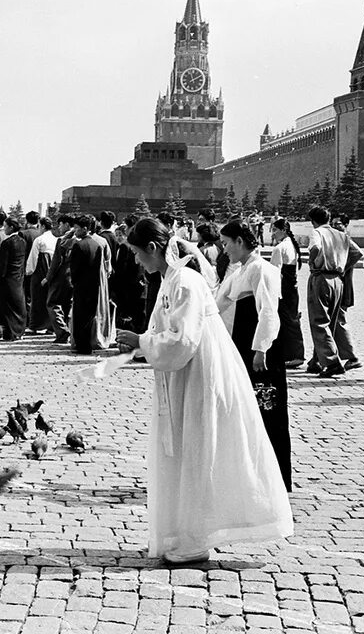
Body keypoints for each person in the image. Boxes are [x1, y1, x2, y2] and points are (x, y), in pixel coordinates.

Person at [114, 217, 293, 565]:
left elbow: (183, 340)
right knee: (185, 450)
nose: (137, 262)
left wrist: (142, 341)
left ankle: (194, 538)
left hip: (199, 375)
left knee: (198, 448)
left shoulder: (186, 281)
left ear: (152, 249)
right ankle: (182, 532)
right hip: (186, 376)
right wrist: (148, 341)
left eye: (137, 254)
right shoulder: (172, 279)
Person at [216, 220, 292, 490]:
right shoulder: (241, 270)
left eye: (226, 243)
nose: (225, 250)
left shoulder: (262, 268)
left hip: (261, 348)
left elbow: (268, 311)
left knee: (267, 408)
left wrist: (261, 349)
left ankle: (275, 477)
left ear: (239, 241)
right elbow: (219, 302)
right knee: (249, 408)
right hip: (244, 343)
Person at [305, 206, 357, 378]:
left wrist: (312, 263)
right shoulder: (341, 235)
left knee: (319, 321)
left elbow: (315, 248)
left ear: (313, 221)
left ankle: (332, 362)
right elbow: (357, 253)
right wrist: (342, 266)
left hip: (321, 277)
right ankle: (317, 361)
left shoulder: (317, 232)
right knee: (332, 321)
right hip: (338, 280)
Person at [69, 214, 114, 354]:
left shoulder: (78, 245)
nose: (75, 231)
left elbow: (74, 268)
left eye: (76, 228)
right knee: (89, 316)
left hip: (81, 286)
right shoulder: (98, 244)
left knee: (79, 316)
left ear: (84, 229)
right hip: (95, 286)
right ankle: (88, 344)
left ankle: (80, 345)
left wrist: (74, 282)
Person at [268, 218, 305, 368]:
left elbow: (274, 272)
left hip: (283, 288)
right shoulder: (292, 245)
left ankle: (293, 354)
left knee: (286, 322)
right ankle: (294, 353)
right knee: (292, 320)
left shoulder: (280, 248)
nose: (272, 233)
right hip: (292, 288)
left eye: (275, 230)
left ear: (283, 230)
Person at [0, 216, 28, 340]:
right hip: (18, 278)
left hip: (6, 279)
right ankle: (19, 332)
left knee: (7, 308)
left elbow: (2, 264)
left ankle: (9, 333)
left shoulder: (7, 243)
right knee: (18, 306)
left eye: (6, 226)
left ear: (11, 227)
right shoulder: (22, 242)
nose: (4, 229)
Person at [44, 215, 75, 344]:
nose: (59, 227)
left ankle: (62, 331)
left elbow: (56, 262)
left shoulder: (63, 240)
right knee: (67, 304)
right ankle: (66, 330)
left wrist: (47, 278)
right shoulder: (80, 239)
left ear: (67, 225)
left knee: (52, 303)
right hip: (74, 276)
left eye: (61, 224)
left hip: (62, 276)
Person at [25, 216, 56, 333]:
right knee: (49, 298)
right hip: (51, 272)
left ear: (42, 226)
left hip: (40, 270)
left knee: (37, 299)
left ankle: (34, 325)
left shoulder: (39, 240)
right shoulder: (56, 240)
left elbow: (33, 257)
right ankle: (51, 326)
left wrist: (29, 271)